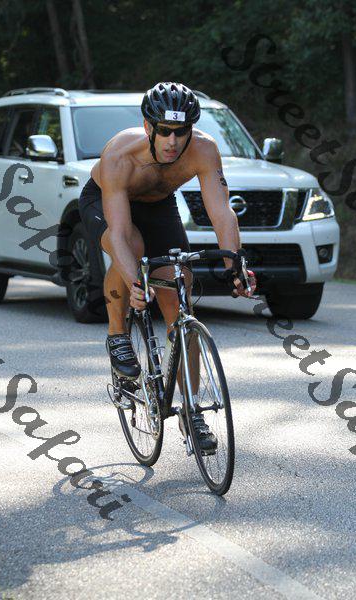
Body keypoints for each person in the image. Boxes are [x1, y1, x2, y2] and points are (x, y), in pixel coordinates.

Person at [79, 81, 256, 451]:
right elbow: (121, 232)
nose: (173, 142)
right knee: (133, 247)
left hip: (159, 205)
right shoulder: (119, 154)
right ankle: (117, 335)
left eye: (181, 131)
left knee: (180, 298)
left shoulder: (204, 149)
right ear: (148, 127)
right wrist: (136, 283)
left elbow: (221, 212)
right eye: (165, 131)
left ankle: (192, 411)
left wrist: (234, 263)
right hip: (107, 202)